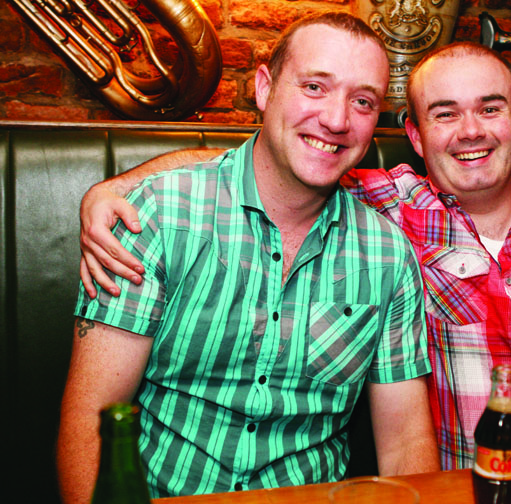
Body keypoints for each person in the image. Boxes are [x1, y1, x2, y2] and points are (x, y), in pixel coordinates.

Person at [77, 42, 511, 471]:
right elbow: (276, 160)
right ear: (414, 135)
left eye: (490, 110)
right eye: (445, 114)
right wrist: (115, 187)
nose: (471, 131)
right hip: (462, 488)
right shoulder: (387, 207)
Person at [58, 12, 440, 504]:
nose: (337, 119)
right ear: (264, 88)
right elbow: (92, 419)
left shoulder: (388, 255)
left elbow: (406, 442)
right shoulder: (160, 215)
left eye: (362, 101)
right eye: (315, 87)